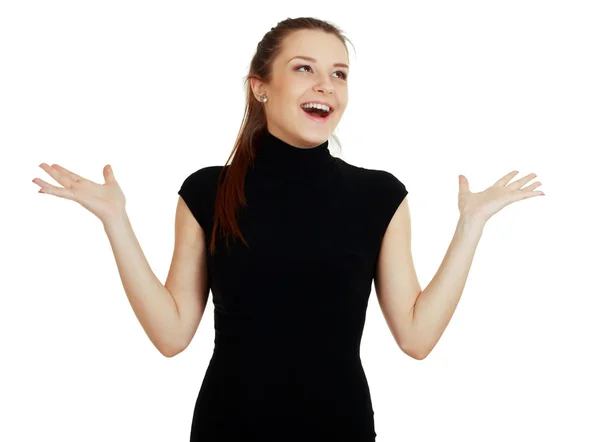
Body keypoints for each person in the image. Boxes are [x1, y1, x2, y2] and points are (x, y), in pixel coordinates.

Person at [33, 16, 544, 442]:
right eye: (304, 69)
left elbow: (416, 337)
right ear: (261, 86)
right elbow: (171, 336)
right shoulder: (208, 191)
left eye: (339, 73)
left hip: (339, 428)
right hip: (228, 427)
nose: (326, 85)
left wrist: (471, 224)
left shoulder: (380, 195)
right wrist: (115, 221)